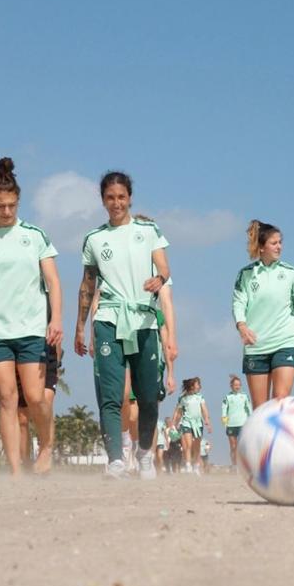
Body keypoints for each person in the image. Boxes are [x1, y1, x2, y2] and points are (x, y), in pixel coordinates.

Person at [0, 158, 62, 476]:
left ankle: (46, 445)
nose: (7, 211)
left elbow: (53, 282)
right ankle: (16, 470)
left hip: (31, 328)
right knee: (6, 397)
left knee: (34, 397)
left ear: (18, 202)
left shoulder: (35, 235)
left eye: (12, 205)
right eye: (1, 205)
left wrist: (55, 319)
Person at [75, 171, 177, 480]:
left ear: (129, 198)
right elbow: (87, 284)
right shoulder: (94, 239)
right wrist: (80, 326)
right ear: (103, 200)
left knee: (147, 396)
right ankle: (116, 460)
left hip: (144, 320)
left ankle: (145, 452)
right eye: (110, 197)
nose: (116, 203)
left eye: (121, 197)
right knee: (110, 394)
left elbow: (164, 267)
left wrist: (158, 279)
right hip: (108, 319)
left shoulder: (148, 230)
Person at [232, 220, 294, 407]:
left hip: (285, 342)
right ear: (261, 247)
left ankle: (279, 437)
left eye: (280, 242)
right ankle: (263, 438)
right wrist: (241, 325)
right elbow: (238, 303)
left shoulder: (292, 273)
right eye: (274, 243)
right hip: (256, 345)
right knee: (260, 409)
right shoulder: (245, 274)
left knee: (280, 402)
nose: (279, 247)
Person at [173, 377, 211, 475]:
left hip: (198, 424)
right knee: (188, 445)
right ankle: (188, 465)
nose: (199, 386)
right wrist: (174, 424)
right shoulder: (183, 398)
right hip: (186, 423)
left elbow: (204, 409)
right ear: (192, 386)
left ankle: (195, 466)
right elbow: (178, 412)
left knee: (197, 446)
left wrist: (207, 420)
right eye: (198, 384)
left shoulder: (200, 397)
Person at [221, 375, 253, 468]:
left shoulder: (244, 396)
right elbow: (224, 410)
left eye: (239, 385)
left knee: (243, 446)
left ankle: (244, 465)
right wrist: (225, 422)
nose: (237, 386)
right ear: (231, 386)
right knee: (233, 446)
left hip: (243, 424)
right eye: (235, 385)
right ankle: (234, 465)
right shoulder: (227, 397)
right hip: (231, 424)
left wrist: (251, 420)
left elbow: (249, 409)